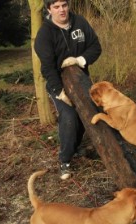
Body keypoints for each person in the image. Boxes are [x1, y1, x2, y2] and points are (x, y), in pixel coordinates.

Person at [35, 0, 102, 180]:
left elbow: (96, 47)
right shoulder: (44, 34)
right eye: (56, 7)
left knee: (85, 114)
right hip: (58, 83)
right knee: (70, 117)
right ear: (49, 9)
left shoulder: (80, 22)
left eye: (64, 5)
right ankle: (65, 160)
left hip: (81, 80)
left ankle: (76, 146)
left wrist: (80, 59)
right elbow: (47, 68)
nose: (62, 10)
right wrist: (59, 91)